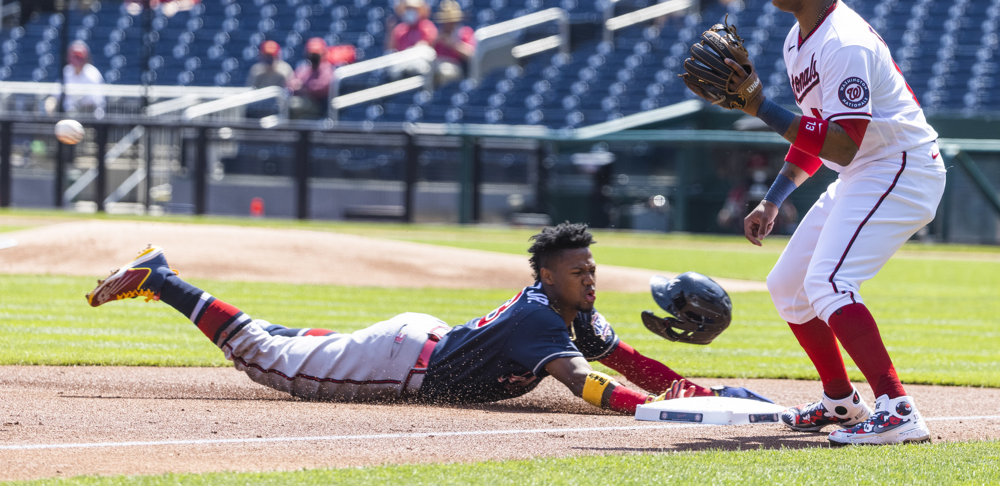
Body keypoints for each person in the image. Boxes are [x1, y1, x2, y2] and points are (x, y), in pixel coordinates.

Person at [697, 0, 942, 446]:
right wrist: (773, 198)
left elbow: (843, 143)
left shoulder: (845, 42)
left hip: (901, 167)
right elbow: (817, 135)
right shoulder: (797, 41)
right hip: (866, 171)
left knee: (829, 282)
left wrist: (761, 106)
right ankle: (841, 402)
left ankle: (897, 408)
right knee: (787, 286)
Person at [85, 223, 769, 410]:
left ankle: (166, 276)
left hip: (420, 340)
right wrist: (654, 413)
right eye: (579, 270)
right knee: (268, 362)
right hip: (401, 365)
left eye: (592, 268)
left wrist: (711, 397)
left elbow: (632, 363)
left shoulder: (575, 313)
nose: (592, 278)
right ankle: (164, 279)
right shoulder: (542, 319)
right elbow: (586, 383)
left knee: (293, 345)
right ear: (547, 275)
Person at [432, 0, 476, 86]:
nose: (446, 24)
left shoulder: (465, 32)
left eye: (449, 21)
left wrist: (452, 44)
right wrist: (435, 41)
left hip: (457, 68)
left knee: (442, 70)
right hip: (438, 64)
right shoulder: (439, 35)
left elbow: (471, 54)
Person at [288, 37, 334, 119]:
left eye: (316, 54)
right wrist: (304, 86)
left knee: (292, 105)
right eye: (311, 54)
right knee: (284, 104)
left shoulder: (327, 68)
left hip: (317, 104)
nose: (313, 56)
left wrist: (304, 86)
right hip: (302, 99)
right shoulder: (304, 67)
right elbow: (291, 84)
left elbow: (324, 87)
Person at [62, 41, 106, 115]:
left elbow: (95, 102)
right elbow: (55, 96)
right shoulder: (66, 72)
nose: (76, 60)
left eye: (79, 57)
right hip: (68, 114)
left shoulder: (92, 73)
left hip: (89, 115)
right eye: (74, 56)